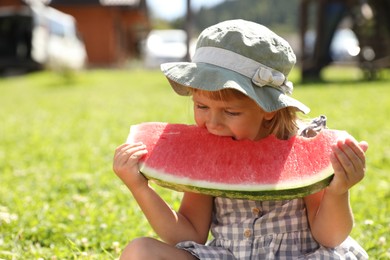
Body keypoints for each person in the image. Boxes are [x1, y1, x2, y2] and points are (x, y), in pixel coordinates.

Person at [113, 19, 369, 259]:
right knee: (140, 251)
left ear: (269, 109)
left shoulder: (302, 144)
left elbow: (330, 236)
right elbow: (189, 234)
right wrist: (139, 187)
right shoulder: (207, 150)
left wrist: (337, 192)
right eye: (201, 106)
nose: (212, 123)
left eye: (231, 112)